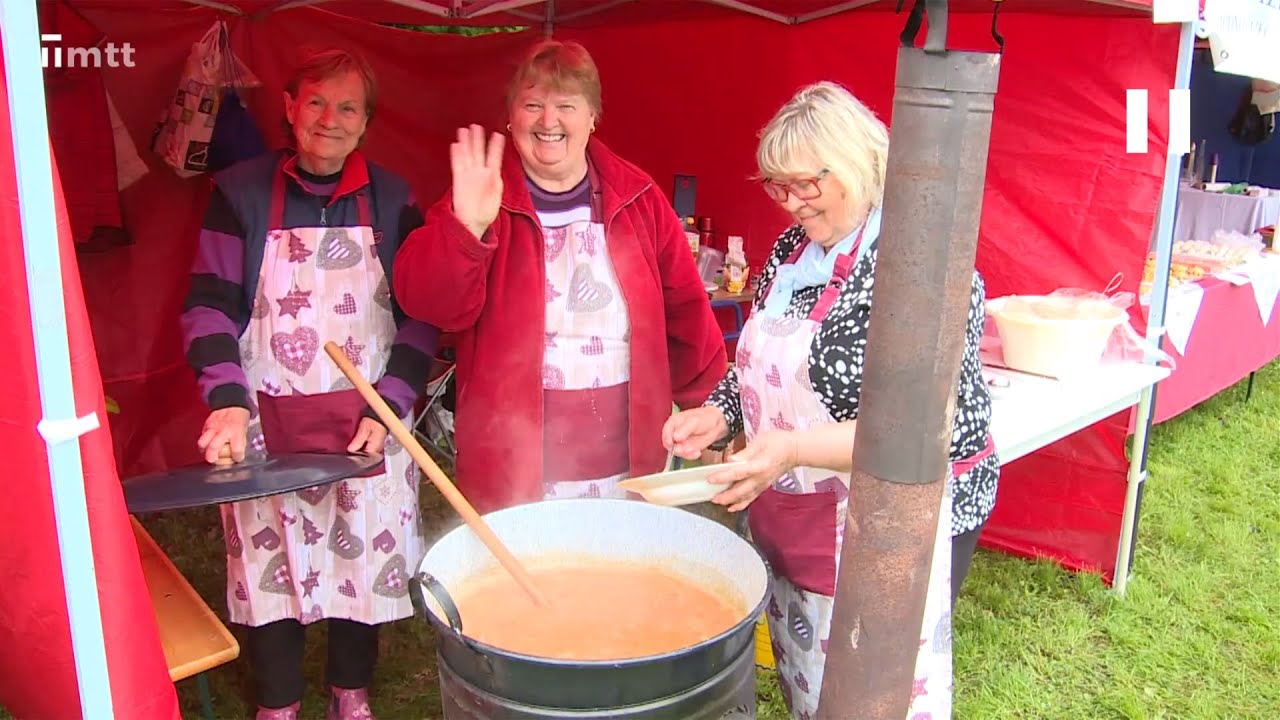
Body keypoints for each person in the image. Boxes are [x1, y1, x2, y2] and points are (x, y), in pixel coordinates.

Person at [662, 81, 999, 719]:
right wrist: (719, 413)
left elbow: (917, 430)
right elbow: (758, 364)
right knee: (808, 680)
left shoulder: (918, 263)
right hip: (800, 510)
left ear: (854, 163)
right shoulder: (792, 252)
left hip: (893, 519)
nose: (789, 203)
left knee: (873, 693)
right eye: (777, 186)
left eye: (804, 185)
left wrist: (790, 448)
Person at [181, 48, 439, 720]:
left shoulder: (394, 199)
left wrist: (394, 403)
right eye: (316, 102)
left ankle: (350, 692)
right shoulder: (238, 193)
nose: (330, 119)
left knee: (364, 553)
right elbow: (208, 306)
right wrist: (227, 402)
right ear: (290, 108)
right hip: (266, 418)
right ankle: (279, 701)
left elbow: (421, 319)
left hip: (368, 418)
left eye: (347, 107)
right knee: (270, 561)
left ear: (366, 122)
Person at [394, 39, 726, 512]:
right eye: (532, 104)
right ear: (511, 117)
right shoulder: (482, 195)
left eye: (566, 105)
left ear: (592, 117)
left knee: (622, 558)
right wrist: (466, 228)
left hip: (629, 465)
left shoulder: (639, 198)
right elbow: (430, 305)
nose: (548, 121)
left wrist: (712, 411)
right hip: (512, 468)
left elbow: (687, 314)